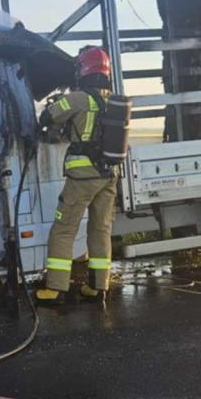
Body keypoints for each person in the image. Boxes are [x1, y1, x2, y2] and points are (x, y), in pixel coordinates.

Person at [35, 46, 118, 305]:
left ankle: (56, 289)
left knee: (63, 229)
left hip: (83, 177)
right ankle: (98, 286)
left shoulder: (79, 99)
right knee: (100, 229)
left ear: (83, 70)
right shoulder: (112, 100)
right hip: (108, 175)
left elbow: (47, 117)